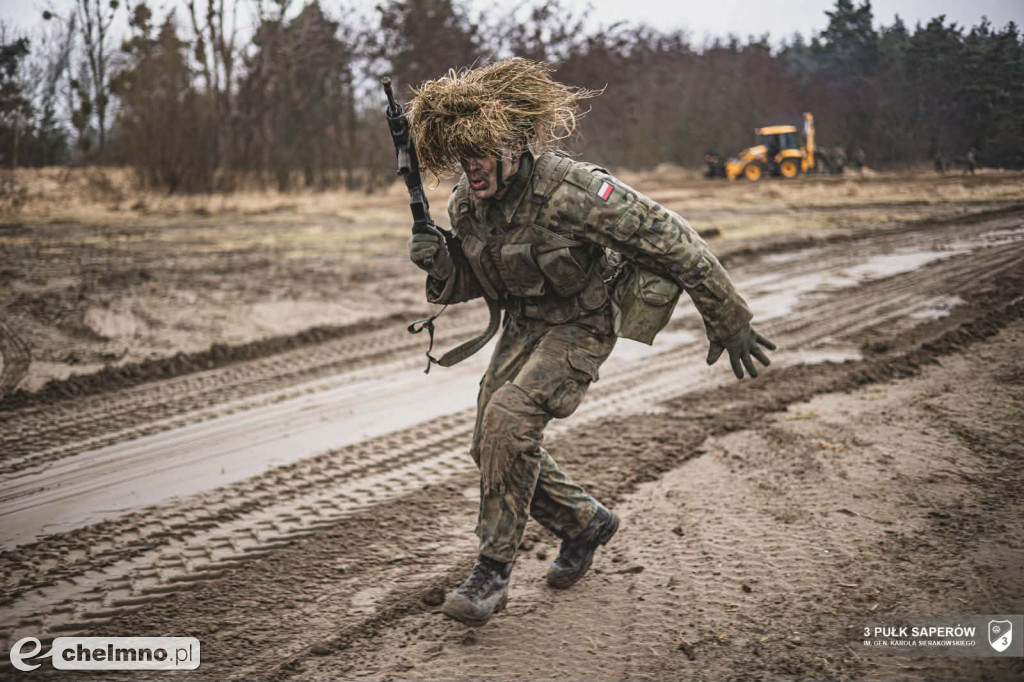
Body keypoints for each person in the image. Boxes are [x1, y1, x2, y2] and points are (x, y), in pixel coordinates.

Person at [405, 59, 774, 627]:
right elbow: (482, 278)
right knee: (490, 445)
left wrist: (727, 316)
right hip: (526, 324)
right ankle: (584, 522)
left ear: (515, 145)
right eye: (462, 155)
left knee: (507, 422)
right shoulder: (466, 203)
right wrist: (442, 266)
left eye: (481, 153)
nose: (470, 167)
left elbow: (669, 237)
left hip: (582, 322)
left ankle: (491, 572)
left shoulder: (572, 191)